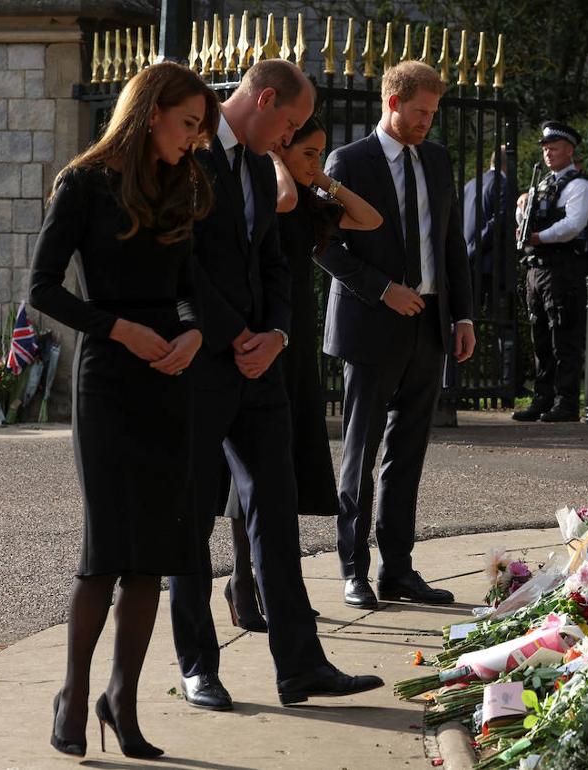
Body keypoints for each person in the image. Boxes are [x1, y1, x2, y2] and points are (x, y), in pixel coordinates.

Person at [168, 58, 383, 711]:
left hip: (263, 367)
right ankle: (198, 666)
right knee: (190, 522)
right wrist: (236, 333)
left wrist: (281, 334)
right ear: (265, 101)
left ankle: (301, 665)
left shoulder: (262, 164)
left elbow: (276, 264)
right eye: (290, 122)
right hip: (205, 363)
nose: (291, 135)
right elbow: (180, 261)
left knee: (276, 519)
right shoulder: (190, 154)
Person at [29, 62, 217, 758]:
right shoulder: (84, 184)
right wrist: (118, 329)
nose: (194, 140)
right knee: (106, 551)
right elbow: (42, 290)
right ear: (150, 113)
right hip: (109, 377)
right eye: (188, 124)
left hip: (169, 380)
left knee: (154, 556)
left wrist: (194, 331)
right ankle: (74, 697)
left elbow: (192, 287)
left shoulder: (187, 184)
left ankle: (122, 700)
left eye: (201, 128)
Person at [318, 60, 475, 610]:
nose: (429, 122)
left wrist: (463, 315)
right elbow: (323, 245)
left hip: (430, 325)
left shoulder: (436, 158)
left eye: (433, 112)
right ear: (393, 102)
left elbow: (450, 240)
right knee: (361, 452)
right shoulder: (348, 162)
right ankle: (353, 569)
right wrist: (382, 289)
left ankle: (398, 570)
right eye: (421, 112)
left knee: (408, 453)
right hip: (371, 323)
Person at [222, 115, 383, 631]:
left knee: (285, 469)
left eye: (322, 154)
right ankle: (244, 583)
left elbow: (369, 219)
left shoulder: (313, 200)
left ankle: (272, 584)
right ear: (282, 146)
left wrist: (324, 176)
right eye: (309, 153)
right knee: (253, 471)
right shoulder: (269, 192)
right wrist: (276, 157)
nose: (318, 162)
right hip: (261, 333)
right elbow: (284, 198)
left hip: (295, 339)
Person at [512, 120, 588, 423]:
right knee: (540, 338)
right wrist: (522, 207)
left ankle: (566, 403)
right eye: (546, 148)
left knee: (563, 336)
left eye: (555, 148)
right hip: (538, 269)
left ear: (570, 151)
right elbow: (524, 219)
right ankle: (543, 399)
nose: (548, 153)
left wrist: (538, 237)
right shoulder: (542, 184)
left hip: (564, 269)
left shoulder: (579, 186)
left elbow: (572, 226)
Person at [462, 146, 508, 312]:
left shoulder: (470, 185)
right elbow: (498, 223)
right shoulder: (503, 184)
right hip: (490, 264)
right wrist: (475, 249)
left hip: (468, 262)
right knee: (496, 321)